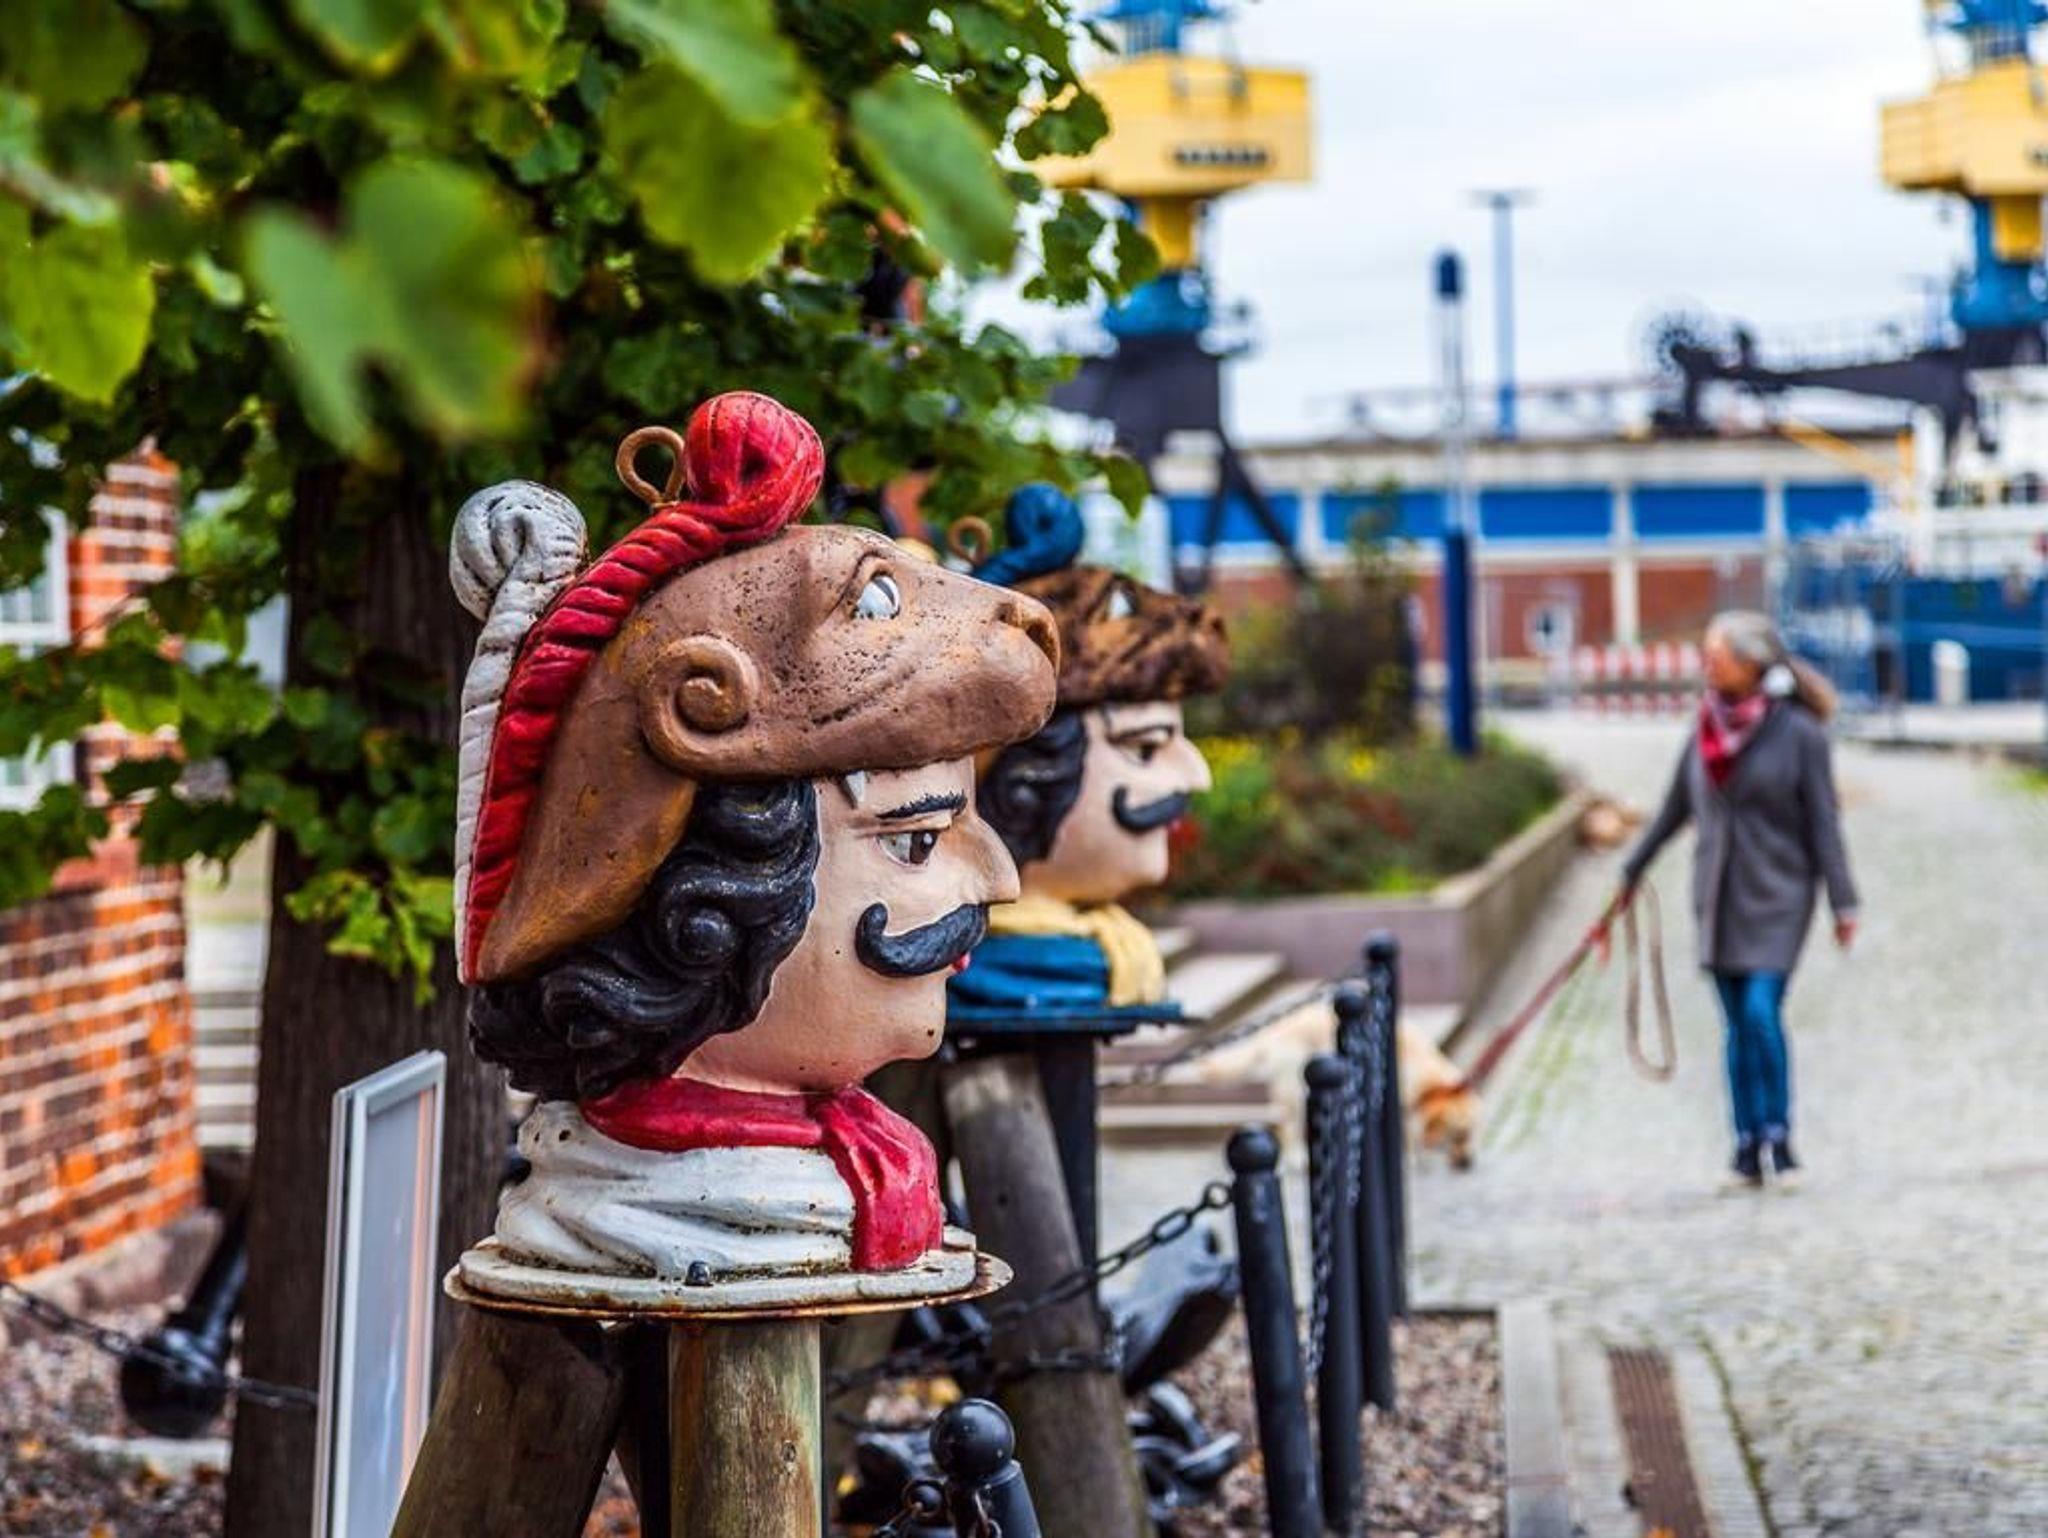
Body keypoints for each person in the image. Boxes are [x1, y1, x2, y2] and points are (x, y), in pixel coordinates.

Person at [1618, 610, 1859, 1189]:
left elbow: (1823, 821)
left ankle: (1780, 1135)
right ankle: (1746, 1144)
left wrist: (1843, 901)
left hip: (1780, 894)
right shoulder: (1703, 729)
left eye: (1716, 655)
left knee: (1760, 1011)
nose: (1706, 665)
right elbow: (1673, 809)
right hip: (1718, 894)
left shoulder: (1799, 734)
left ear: (1752, 664)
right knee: (1734, 1024)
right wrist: (1629, 872)